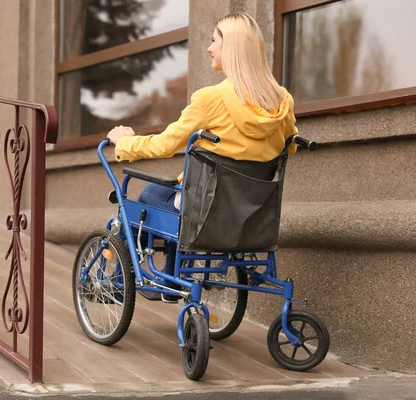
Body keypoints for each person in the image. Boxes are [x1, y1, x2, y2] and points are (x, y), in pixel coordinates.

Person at [107, 12, 298, 302]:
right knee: (168, 192)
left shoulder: (211, 99)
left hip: (205, 211)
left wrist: (125, 142)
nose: (209, 48)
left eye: (214, 41)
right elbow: (289, 147)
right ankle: (172, 277)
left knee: (146, 197)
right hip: (252, 214)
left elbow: (165, 145)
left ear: (231, 48)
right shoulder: (281, 101)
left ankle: (120, 284)